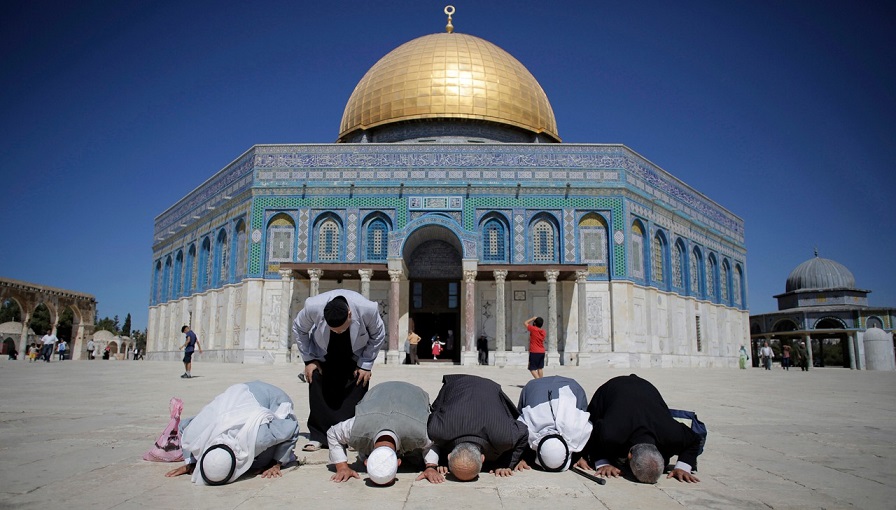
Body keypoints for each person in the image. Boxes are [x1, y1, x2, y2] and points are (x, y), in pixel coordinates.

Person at [292, 289, 386, 452]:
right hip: (323, 353)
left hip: (355, 353)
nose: (337, 332)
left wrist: (366, 364)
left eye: (341, 329)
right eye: (333, 329)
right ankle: (318, 436)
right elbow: (299, 329)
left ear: (350, 314)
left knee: (359, 383)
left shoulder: (367, 308)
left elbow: (378, 334)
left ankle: (351, 435)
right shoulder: (313, 306)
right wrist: (309, 360)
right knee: (316, 380)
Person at [165, 380, 299, 485]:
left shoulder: (259, 438)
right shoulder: (195, 434)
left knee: (267, 452)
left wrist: (276, 463)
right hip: (237, 396)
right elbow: (184, 426)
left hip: (271, 396)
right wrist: (191, 462)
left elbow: (292, 427)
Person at [578, 374, 702, 484]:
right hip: (613, 388)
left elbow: (695, 439)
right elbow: (591, 432)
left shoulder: (671, 435)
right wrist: (602, 462)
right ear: (629, 455)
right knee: (590, 419)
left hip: (646, 389)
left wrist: (683, 466)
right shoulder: (610, 433)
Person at [326, 381, 444, 485]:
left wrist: (430, 467)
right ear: (398, 462)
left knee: (417, 454)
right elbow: (332, 433)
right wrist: (341, 467)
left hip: (414, 393)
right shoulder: (356, 427)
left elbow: (433, 441)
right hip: (378, 392)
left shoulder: (419, 432)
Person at [427, 374, 529, 480]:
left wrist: (507, 463)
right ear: (482, 458)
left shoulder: (504, 436)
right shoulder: (437, 430)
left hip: (487, 388)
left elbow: (524, 432)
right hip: (458, 385)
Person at [517, 375, 592, 472]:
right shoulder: (528, 424)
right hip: (537, 387)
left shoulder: (576, 427)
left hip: (570, 387)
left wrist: (522, 458)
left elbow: (585, 422)